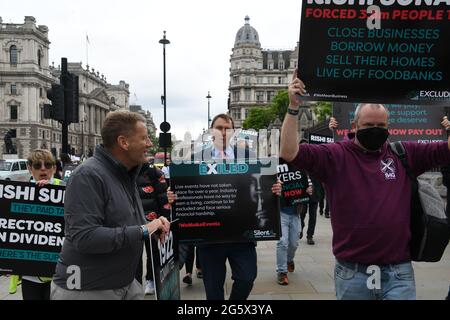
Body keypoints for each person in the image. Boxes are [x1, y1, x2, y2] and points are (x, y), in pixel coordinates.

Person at [280, 69, 450, 300]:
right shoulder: (334, 156)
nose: (376, 130)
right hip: (353, 273)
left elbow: (445, 149)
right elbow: (289, 152)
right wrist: (293, 107)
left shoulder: (403, 153)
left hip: (398, 272)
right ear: (355, 125)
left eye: (381, 126)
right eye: (369, 124)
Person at [51, 110, 170, 300]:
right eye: (144, 138)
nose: (149, 144)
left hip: (124, 283)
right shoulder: (88, 175)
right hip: (88, 289)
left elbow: (126, 223)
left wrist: (155, 228)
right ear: (124, 142)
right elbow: (85, 236)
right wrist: (144, 229)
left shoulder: (127, 174)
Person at [169, 113, 282, 300]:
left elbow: (261, 185)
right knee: (213, 291)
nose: (223, 132)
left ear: (234, 132)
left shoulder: (249, 156)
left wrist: (274, 188)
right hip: (209, 239)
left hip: (241, 236)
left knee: (247, 278)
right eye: (219, 128)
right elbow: (183, 190)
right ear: (210, 132)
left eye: (227, 128)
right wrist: (173, 196)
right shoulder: (195, 158)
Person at [9, 149, 64, 300]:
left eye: (47, 164)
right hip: (30, 273)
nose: (43, 168)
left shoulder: (66, 190)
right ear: (30, 168)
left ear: (54, 168)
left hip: (57, 273)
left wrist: (51, 192)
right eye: (38, 165)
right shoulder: (17, 194)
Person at [135, 161, 171, 295]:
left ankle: (152, 280)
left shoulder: (153, 172)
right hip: (132, 223)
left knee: (153, 253)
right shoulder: (122, 171)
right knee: (134, 256)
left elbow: (163, 199)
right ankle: (136, 285)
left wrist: (165, 220)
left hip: (153, 221)